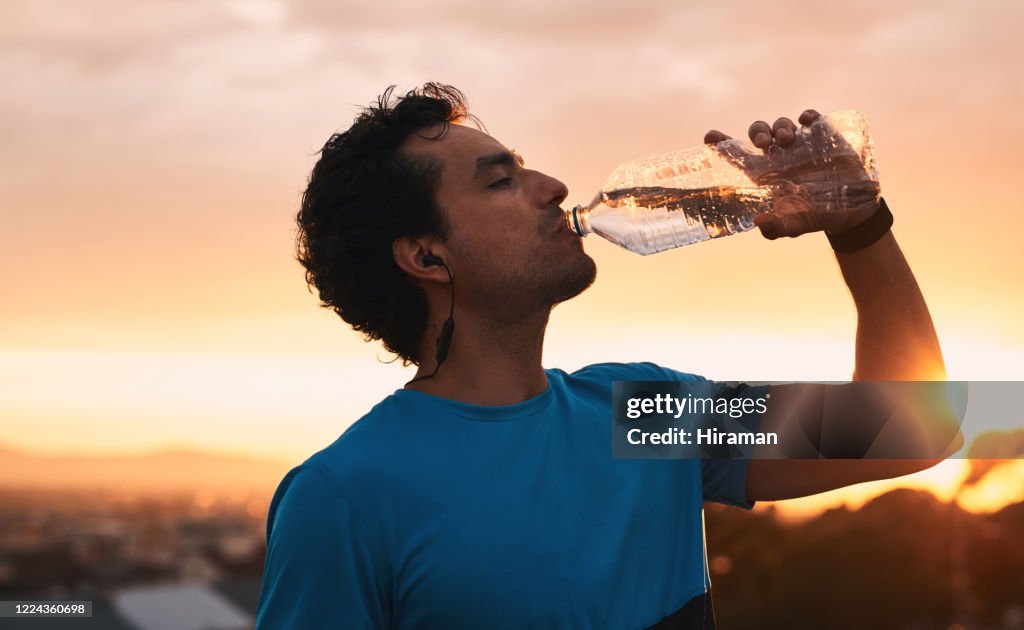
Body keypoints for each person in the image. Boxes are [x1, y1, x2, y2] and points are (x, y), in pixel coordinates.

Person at [255, 83, 958, 629]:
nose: (553, 188)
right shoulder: (343, 499)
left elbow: (915, 428)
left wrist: (860, 226)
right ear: (425, 255)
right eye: (500, 182)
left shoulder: (646, 414)